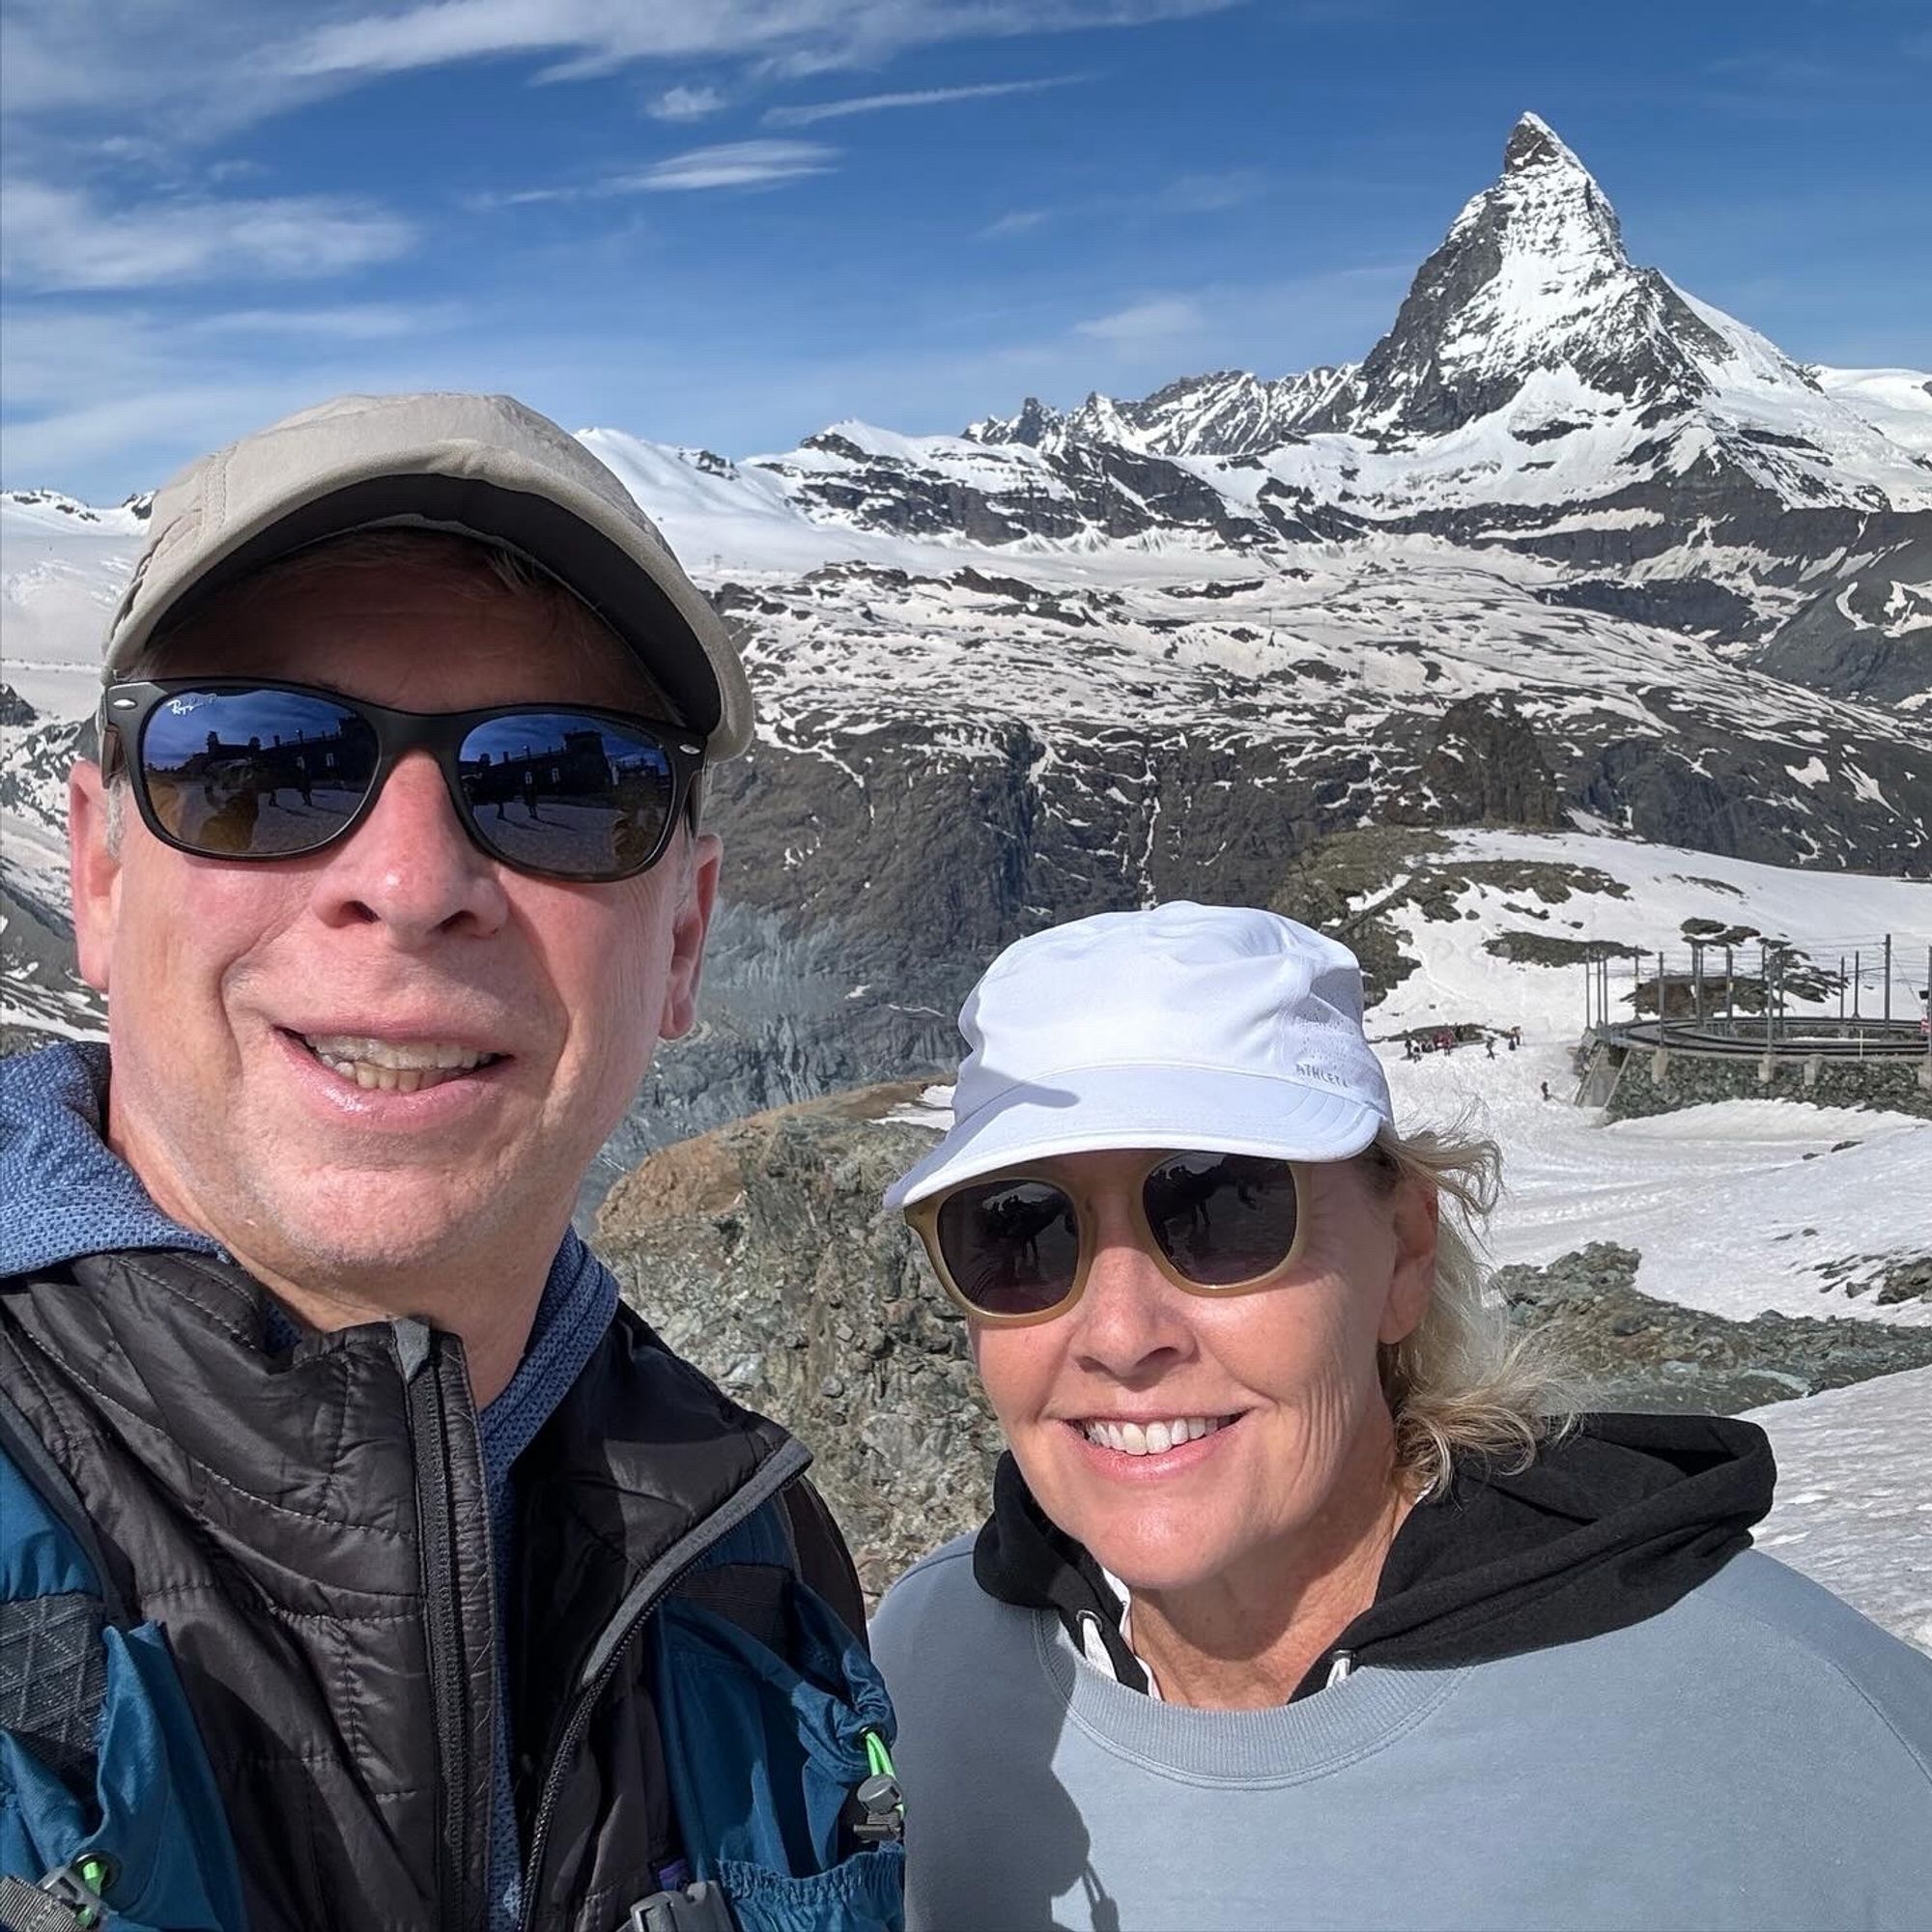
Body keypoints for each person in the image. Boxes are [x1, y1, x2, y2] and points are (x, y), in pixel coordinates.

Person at [0, 394, 902, 1932]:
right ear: (96, 870)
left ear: (682, 936)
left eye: (561, 783)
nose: (411, 886)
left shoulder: (757, 1559)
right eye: (257, 763)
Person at [868, 902, 1932, 1932]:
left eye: (1222, 1209)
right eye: (1017, 1231)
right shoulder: (911, 1673)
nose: (1116, 1330)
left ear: (1404, 1252)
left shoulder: (1798, 1730)